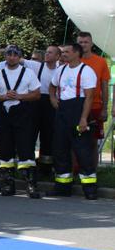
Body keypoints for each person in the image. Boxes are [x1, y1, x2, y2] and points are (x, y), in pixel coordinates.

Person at [0, 45, 41, 197]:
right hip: (5, 115)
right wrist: (4, 97)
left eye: (15, 54)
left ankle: (31, 186)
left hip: (23, 115)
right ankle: (8, 185)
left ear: (19, 57)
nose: (12, 57)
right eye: (9, 54)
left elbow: (36, 94)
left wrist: (19, 96)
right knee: (5, 150)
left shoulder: (28, 73)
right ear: (5, 57)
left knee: (26, 149)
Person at [49, 43, 98, 199]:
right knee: (60, 150)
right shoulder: (60, 70)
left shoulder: (87, 71)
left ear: (77, 53)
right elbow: (52, 85)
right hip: (62, 112)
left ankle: (89, 189)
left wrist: (83, 119)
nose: (63, 54)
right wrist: (52, 98)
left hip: (78, 111)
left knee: (83, 151)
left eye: (66, 52)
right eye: (62, 52)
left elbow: (89, 98)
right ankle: (63, 188)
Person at [77, 31, 109, 163]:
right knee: (74, 140)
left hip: (95, 106)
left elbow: (104, 86)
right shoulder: (72, 61)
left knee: (92, 142)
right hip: (76, 106)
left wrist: (105, 108)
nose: (83, 45)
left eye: (86, 42)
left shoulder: (100, 62)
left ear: (91, 44)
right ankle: (75, 171)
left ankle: (93, 172)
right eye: (80, 42)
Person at [34, 45, 60, 177]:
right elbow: (18, 59)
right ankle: (31, 166)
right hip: (37, 102)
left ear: (57, 57)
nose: (47, 54)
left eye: (50, 53)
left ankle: (46, 166)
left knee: (48, 135)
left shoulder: (60, 70)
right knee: (32, 133)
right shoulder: (37, 66)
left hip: (52, 103)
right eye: (46, 52)